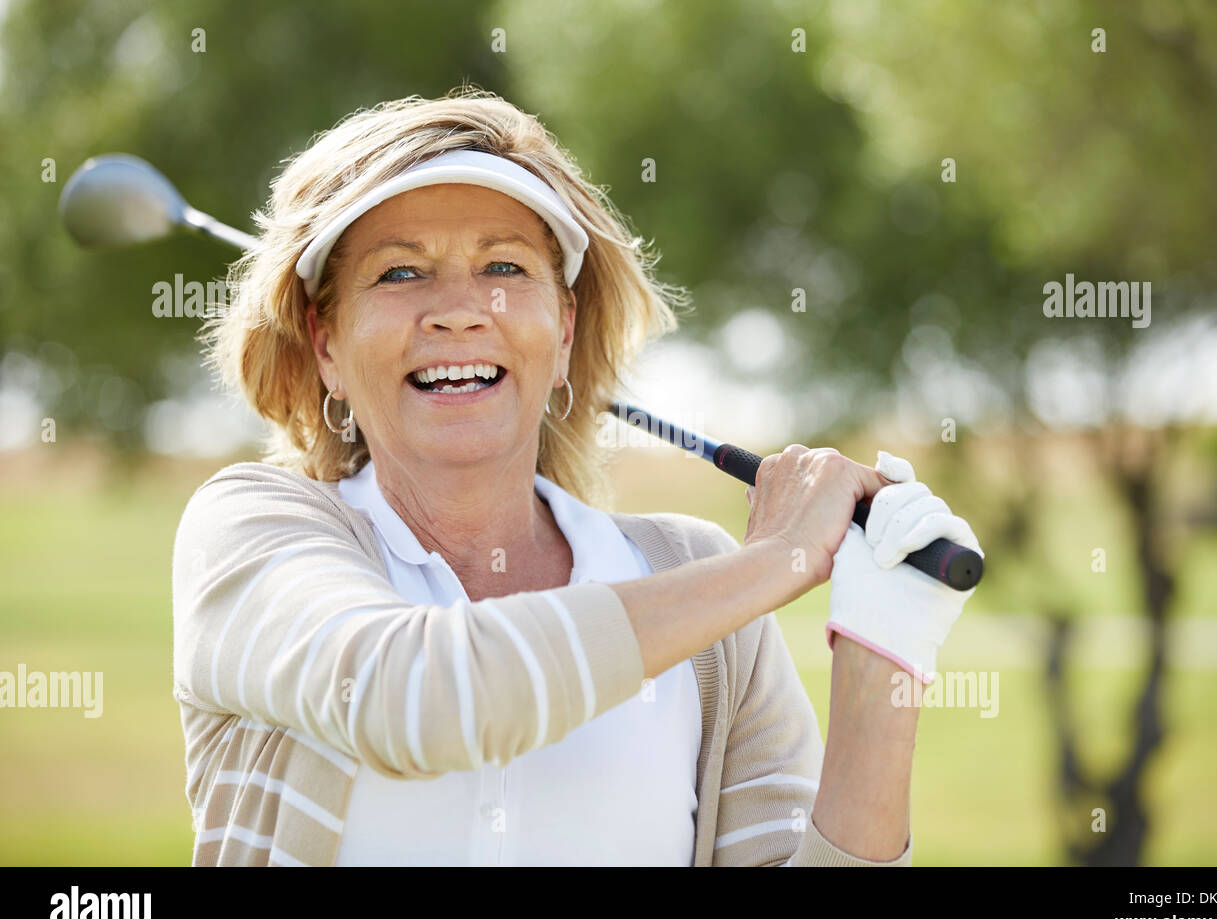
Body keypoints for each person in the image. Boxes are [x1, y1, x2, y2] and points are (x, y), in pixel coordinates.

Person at [172, 86, 982, 866]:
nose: (460, 309)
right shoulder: (251, 532)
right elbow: (414, 698)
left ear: (562, 331)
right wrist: (777, 561)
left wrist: (884, 663)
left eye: (505, 268)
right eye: (399, 272)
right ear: (325, 348)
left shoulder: (697, 585)